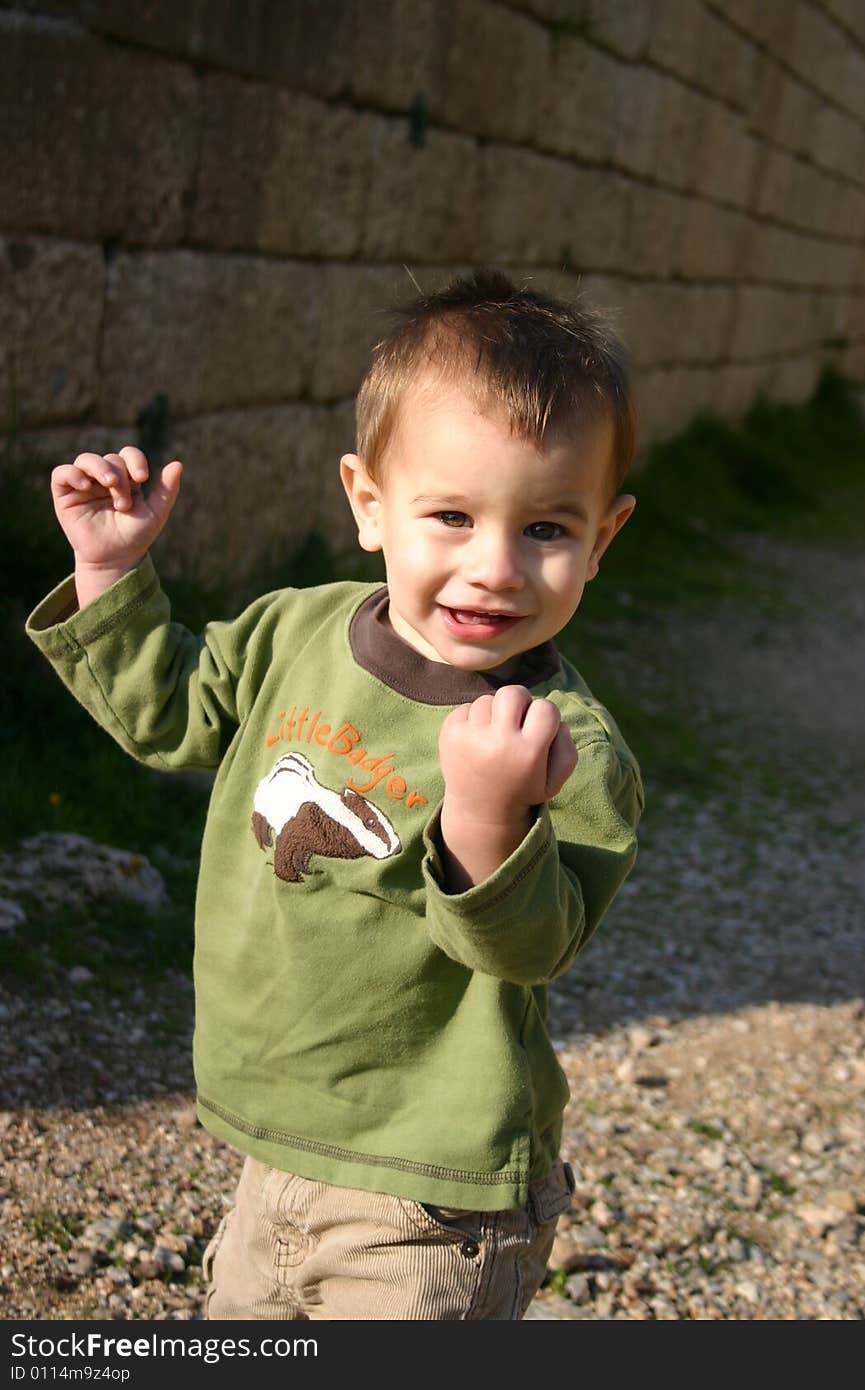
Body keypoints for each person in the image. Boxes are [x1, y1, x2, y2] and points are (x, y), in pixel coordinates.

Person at [27, 269, 644, 1320]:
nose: (493, 567)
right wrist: (110, 576)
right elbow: (170, 713)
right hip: (278, 1135)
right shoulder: (296, 632)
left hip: (431, 1188)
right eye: (450, 514)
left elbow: (536, 945)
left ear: (602, 536)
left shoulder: (562, 746)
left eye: (545, 529)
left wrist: (488, 823)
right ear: (368, 503)